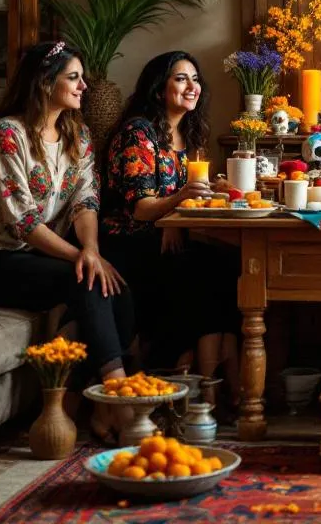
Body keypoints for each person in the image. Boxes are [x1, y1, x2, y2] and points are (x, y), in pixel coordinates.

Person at [0, 41, 134, 442]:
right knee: (86, 279)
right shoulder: (8, 135)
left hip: (33, 256)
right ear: (45, 82)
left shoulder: (78, 134)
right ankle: (119, 398)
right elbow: (23, 222)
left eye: (82, 77)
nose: (84, 85)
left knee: (117, 287)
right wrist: (83, 261)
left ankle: (94, 407)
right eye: (74, 77)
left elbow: (87, 201)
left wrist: (91, 252)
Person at [100, 51, 240, 407]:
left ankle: (216, 379)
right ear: (158, 87)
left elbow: (184, 199)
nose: (192, 86)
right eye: (180, 78)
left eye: (195, 79)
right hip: (127, 243)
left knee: (229, 264)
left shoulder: (188, 134)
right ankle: (206, 388)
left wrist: (213, 192)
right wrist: (177, 204)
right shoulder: (138, 132)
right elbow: (142, 208)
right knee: (202, 273)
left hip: (162, 238)